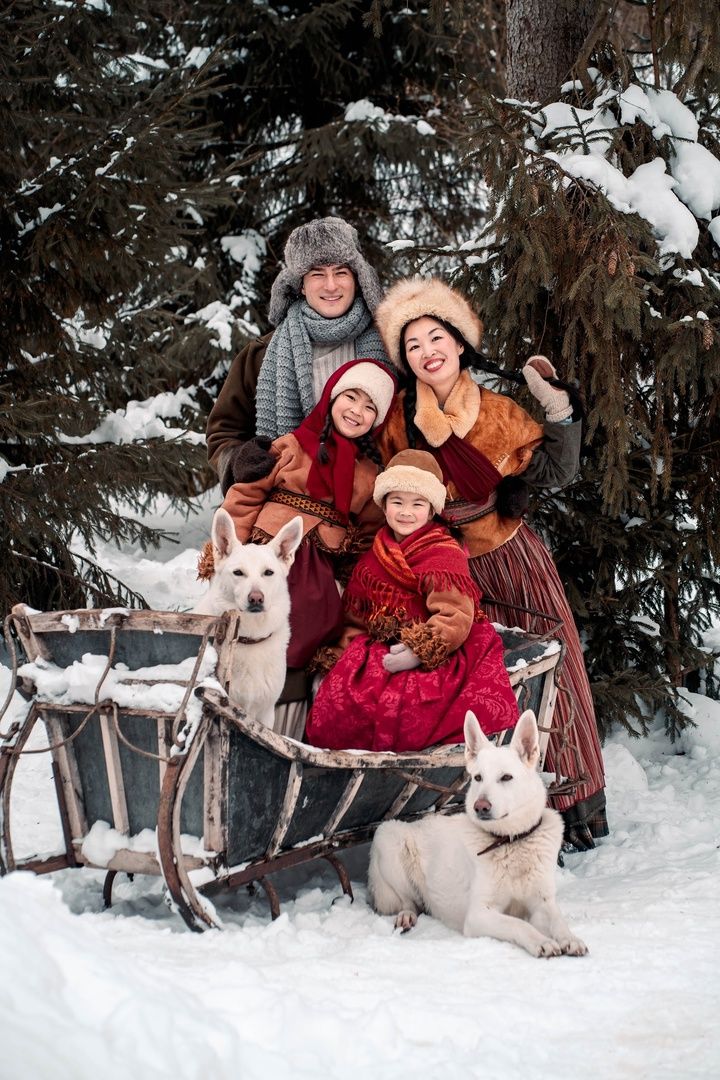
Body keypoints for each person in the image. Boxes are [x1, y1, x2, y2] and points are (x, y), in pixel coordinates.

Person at [373, 277, 608, 849]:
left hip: (511, 552)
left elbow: (555, 470)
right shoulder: (399, 423)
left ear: (459, 343)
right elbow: (389, 490)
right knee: (477, 681)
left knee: (557, 660)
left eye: (436, 336)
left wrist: (558, 411)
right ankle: (479, 809)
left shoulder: (500, 412)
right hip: (442, 567)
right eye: (412, 345)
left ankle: (575, 801)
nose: (427, 351)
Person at [220, 359, 397, 735]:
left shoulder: (369, 474)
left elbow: (366, 531)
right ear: (332, 396)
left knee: (310, 625)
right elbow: (248, 495)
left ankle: (286, 712)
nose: (357, 411)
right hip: (270, 549)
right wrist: (227, 547)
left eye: (370, 408)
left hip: (321, 567)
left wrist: (351, 579)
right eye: (351, 397)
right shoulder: (291, 445)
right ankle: (231, 694)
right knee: (248, 616)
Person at [305, 451, 519, 752]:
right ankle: (345, 754)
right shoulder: (374, 557)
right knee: (348, 695)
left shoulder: (443, 553)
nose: (406, 512)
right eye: (397, 502)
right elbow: (356, 617)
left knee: (410, 701)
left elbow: (454, 614)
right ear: (384, 505)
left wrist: (419, 651)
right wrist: (336, 662)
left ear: (431, 510)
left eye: (417, 504)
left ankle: (397, 756)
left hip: (438, 645)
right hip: (383, 643)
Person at [206, 216, 392, 495]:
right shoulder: (261, 354)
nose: (331, 285)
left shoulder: (391, 345)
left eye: (341, 272)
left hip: (373, 506)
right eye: (317, 274)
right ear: (300, 285)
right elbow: (223, 433)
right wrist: (240, 462)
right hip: (289, 502)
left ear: (358, 279)